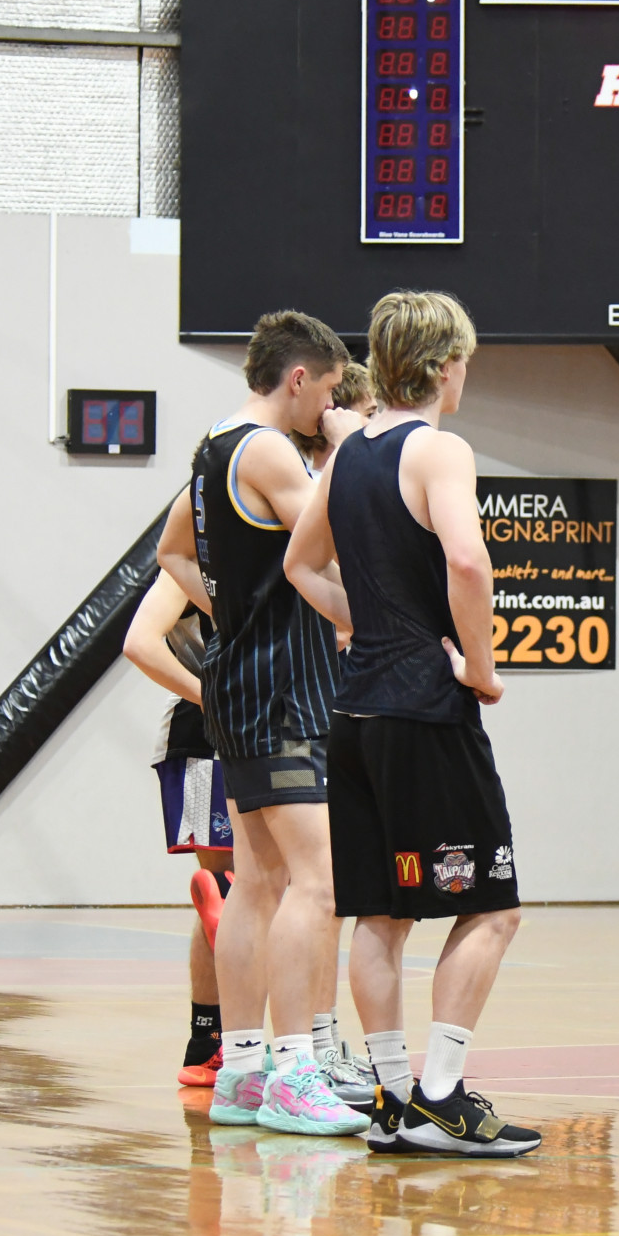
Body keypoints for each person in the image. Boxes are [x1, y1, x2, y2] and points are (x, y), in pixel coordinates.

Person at [286, 290, 541, 1157]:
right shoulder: (439, 449)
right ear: (444, 365)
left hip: (356, 712)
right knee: (493, 909)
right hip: (425, 713)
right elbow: (467, 559)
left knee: (381, 914)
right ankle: (441, 1096)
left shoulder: (349, 453)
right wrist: (481, 667)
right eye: (464, 360)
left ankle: (394, 1099)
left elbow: (300, 564)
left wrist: (363, 624)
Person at [157, 309, 364, 1137]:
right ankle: (295, 1070)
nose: (329, 408)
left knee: (257, 882)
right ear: (300, 377)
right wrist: (349, 448)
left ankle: (242, 1071)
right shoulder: (272, 450)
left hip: (237, 681)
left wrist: (232, 614)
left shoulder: (212, 448)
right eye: (330, 393)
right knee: (319, 882)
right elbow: (340, 537)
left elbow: (173, 553)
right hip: (283, 690)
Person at [123, 569, 237, 1088]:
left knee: (231, 893)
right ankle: (221, 1042)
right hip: (203, 739)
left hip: (259, 732)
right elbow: (140, 644)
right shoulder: (187, 563)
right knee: (228, 889)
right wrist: (210, 697)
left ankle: (211, 1043)